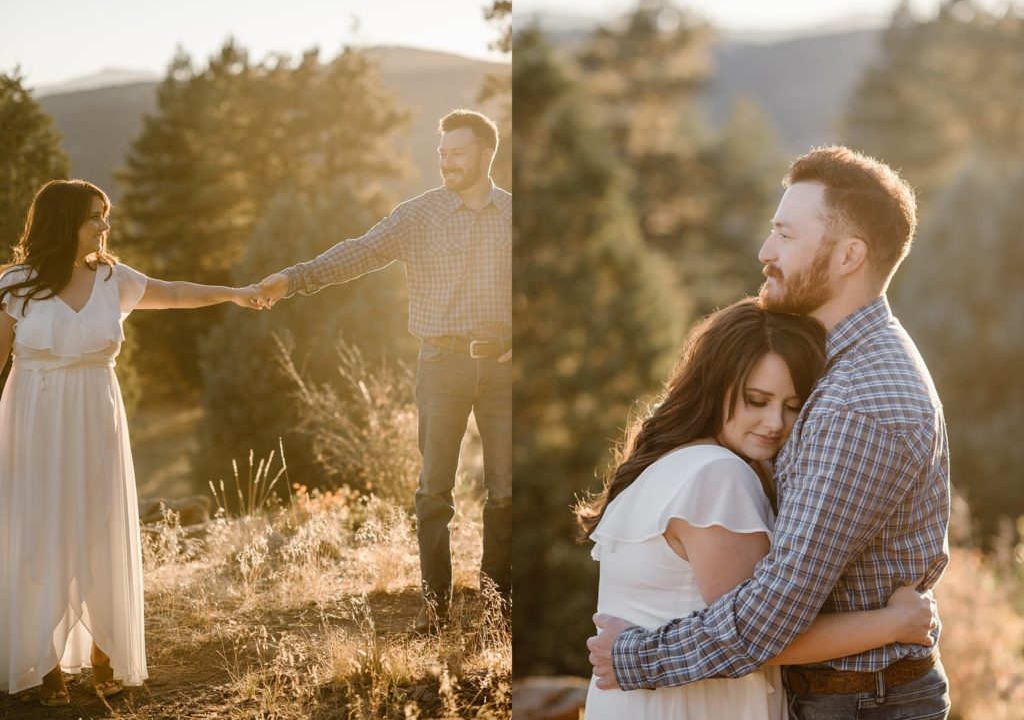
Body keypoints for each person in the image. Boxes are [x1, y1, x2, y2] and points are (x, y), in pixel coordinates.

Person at [588, 146, 951, 719]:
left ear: (848, 256)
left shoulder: (860, 402)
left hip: (859, 703)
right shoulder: (831, 370)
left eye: (785, 235)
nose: (765, 252)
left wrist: (634, 659)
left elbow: (775, 606)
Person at [578, 298, 936, 720]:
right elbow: (764, 637)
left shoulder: (667, 461)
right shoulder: (718, 476)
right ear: (716, 385)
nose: (774, 424)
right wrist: (897, 624)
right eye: (756, 399)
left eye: (792, 406)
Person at [0, 179, 262, 706]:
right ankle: (43, 661)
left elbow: (178, 293)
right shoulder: (16, 284)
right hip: (32, 420)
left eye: (106, 215)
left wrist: (233, 293)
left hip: (96, 418)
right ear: (62, 221)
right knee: (38, 531)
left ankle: (104, 650)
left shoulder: (111, 279)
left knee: (99, 527)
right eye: (94, 217)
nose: (104, 226)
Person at [255, 109, 511, 634]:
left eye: (457, 154)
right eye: (442, 154)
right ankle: (436, 611)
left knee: (506, 493)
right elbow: (361, 253)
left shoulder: (515, 215)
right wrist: (294, 278)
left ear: (487, 154)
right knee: (434, 491)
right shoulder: (418, 216)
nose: (447, 164)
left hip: (504, 373)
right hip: (440, 366)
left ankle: (498, 611)